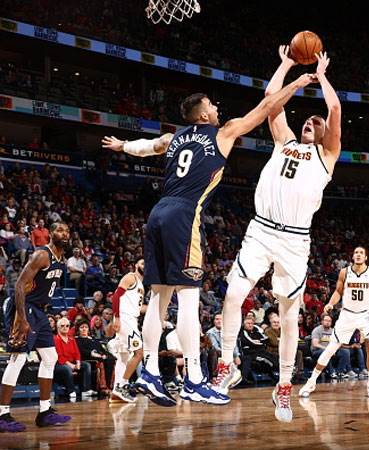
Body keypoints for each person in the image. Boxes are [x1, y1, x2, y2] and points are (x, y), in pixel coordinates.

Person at [102, 71, 315, 407]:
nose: (217, 108)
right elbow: (266, 107)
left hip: (157, 214)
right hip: (184, 215)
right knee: (188, 299)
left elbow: (146, 148)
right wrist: (296, 85)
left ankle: (150, 372)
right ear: (204, 115)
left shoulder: (174, 137)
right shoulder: (223, 133)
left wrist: (121, 146)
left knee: (159, 299)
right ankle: (194, 380)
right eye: (212, 105)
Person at [216, 48, 341, 423]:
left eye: (316, 123)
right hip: (261, 230)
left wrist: (322, 76)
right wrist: (288, 65)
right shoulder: (284, 141)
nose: (312, 121)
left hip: (294, 240)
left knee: (289, 316)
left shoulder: (327, 156)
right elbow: (272, 102)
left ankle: (284, 386)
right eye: (309, 119)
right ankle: (226, 366)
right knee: (234, 294)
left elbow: (334, 112)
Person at [0, 222, 71, 432]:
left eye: (67, 231)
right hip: (24, 307)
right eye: (59, 230)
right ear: (50, 234)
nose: (64, 234)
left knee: (50, 358)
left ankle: (44, 411)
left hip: (39, 310)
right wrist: (21, 319)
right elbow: (20, 286)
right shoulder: (42, 255)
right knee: (18, 357)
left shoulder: (61, 260)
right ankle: (2, 414)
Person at [300, 247, 369, 398]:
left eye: (361, 253)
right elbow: (338, 292)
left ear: (366, 257)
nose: (358, 255)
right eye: (356, 252)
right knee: (330, 348)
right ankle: (311, 381)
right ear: (353, 257)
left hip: (365, 315)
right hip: (347, 314)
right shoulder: (344, 272)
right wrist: (330, 304)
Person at [109, 258, 145, 404]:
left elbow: (139, 308)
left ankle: (116, 392)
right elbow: (116, 296)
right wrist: (116, 317)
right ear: (136, 265)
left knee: (124, 357)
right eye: (142, 263)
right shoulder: (131, 277)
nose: (145, 265)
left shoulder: (142, 284)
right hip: (124, 319)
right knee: (139, 353)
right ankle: (122, 385)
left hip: (131, 319)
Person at [54, 317, 95, 399]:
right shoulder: (55, 339)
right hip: (59, 363)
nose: (65, 328)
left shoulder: (71, 339)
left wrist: (78, 363)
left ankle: (86, 390)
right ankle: (71, 390)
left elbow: (77, 353)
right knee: (67, 368)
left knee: (86, 365)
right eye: (62, 326)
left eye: (67, 326)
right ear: (58, 328)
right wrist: (71, 365)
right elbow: (59, 356)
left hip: (72, 361)